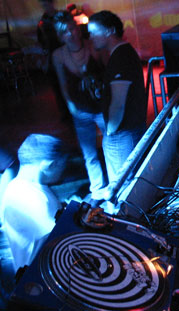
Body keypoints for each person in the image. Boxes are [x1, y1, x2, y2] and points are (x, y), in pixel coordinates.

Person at [52, 10, 107, 201]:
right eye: (67, 31)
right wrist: (70, 106)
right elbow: (62, 84)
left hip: (100, 105)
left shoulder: (92, 46)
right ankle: (98, 188)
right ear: (60, 36)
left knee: (110, 145)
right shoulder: (58, 55)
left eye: (73, 28)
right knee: (89, 152)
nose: (72, 33)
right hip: (81, 109)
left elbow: (106, 73)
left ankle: (120, 181)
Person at [87, 11, 147, 186]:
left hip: (122, 134)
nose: (90, 37)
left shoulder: (121, 57)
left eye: (93, 32)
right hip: (129, 130)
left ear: (109, 31)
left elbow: (118, 105)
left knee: (123, 186)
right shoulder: (123, 53)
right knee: (130, 182)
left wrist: (110, 132)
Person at [0, 134, 66, 272]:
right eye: (62, 165)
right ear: (49, 165)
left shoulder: (16, 185)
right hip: (42, 274)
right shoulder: (34, 200)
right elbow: (63, 242)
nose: (64, 170)